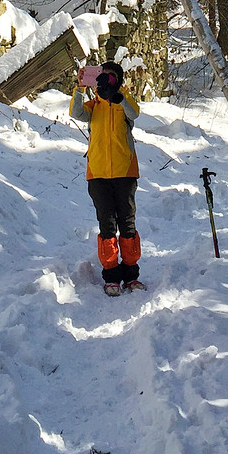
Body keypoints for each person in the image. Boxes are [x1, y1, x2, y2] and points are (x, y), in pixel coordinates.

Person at [69, 60, 146, 295]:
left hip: (125, 173)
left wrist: (118, 93)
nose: (107, 80)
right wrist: (81, 86)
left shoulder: (124, 105)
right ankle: (111, 275)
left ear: (119, 81)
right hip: (98, 174)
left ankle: (130, 273)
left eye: (112, 77)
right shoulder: (93, 107)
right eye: (103, 76)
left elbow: (136, 113)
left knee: (127, 223)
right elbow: (75, 112)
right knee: (107, 225)